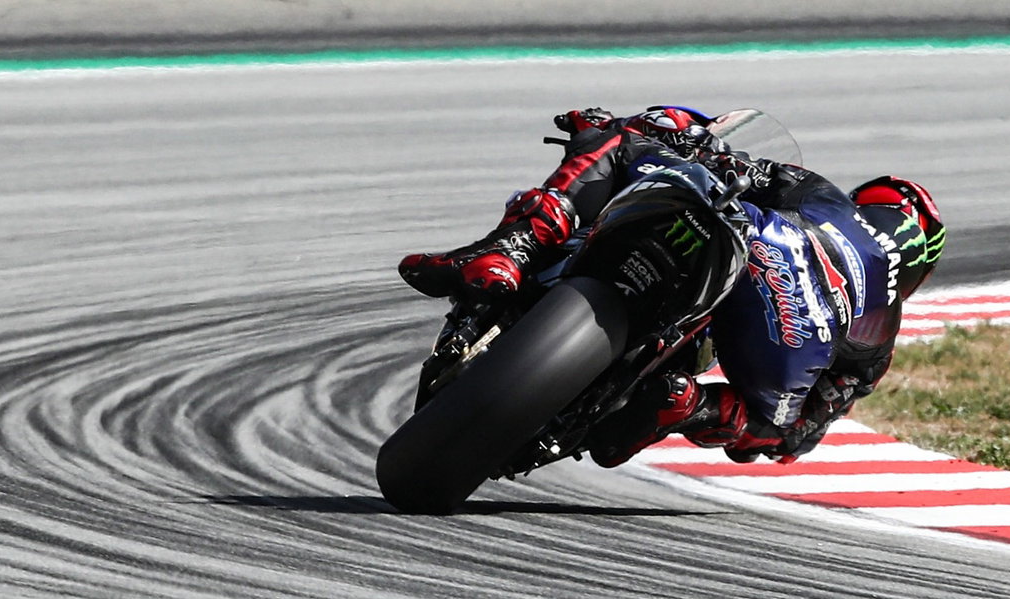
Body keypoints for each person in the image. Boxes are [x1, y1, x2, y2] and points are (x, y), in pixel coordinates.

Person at [398, 105, 945, 466]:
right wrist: (710, 413)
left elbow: (728, 160)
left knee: (616, 139)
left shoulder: (821, 196)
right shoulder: (879, 331)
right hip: (790, 334)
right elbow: (792, 439)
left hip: (761, 256)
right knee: (770, 425)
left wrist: (647, 126)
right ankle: (682, 405)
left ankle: (512, 249)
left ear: (866, 203)